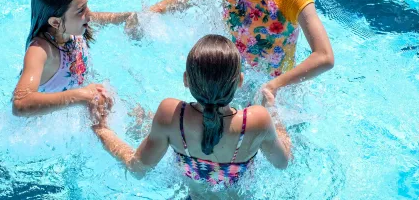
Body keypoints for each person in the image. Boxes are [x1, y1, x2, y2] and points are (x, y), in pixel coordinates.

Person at [92, 35, 292, 198]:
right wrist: (274, 114)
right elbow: (282, 163)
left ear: (186, 80)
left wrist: (102, 130)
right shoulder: (257, 121)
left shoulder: (171, 114)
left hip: (190, 195)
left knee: (144, 120)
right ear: (240, 81)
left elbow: (137, 168)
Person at [150, 0, 334, 105]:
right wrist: (149, 14)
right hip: (231, 81)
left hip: (274, 92)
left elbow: (324, 56)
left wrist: (274, 86)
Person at [12, 0, 136, 116]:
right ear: (55, 22)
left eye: (86, 6)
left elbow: (102, 18)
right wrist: (81, 96)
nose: (89, 14)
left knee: (138, 113)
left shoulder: (73, 24)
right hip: (50, 120)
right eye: (81, 10)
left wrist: (129, 17)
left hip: (80, 101)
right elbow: (20, 104)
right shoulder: (40, 50)